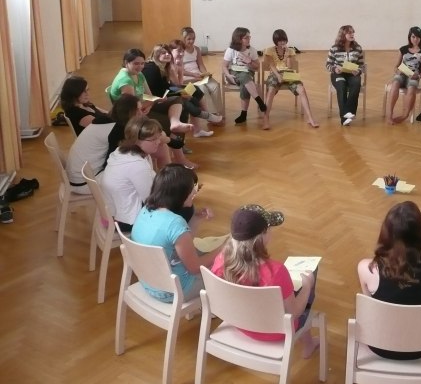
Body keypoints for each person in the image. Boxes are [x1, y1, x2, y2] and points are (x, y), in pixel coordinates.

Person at [211, 204, 320, 358]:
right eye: (269, 229)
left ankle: (308, 344)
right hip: (275, 331)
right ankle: (308, 345)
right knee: (306, 285)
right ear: (262, 236)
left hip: (238, 321)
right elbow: (295, 313)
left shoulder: (220, 260)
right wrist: (308, 285)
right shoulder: (276, 271)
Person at [356, 201, 421, 360]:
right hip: (420, 346)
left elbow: (370, 311)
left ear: (385, 233)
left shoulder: (366, 268)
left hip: (380, 346)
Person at [131, 164, 222, 302]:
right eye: (192, 189)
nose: (195, 193)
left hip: (148, 282)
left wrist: (197, 218)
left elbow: (182, 242)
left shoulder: (146, 210)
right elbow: (195, 268)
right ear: (179, 194)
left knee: (207, 255)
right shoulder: (175, 222)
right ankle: (221, 310)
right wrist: (224, 250)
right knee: (229, 267)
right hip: (173, 291)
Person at [65, 94, 141, 195]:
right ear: (129, 112)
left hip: (77, 175)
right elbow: (112, 161)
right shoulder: (117, 129)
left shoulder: (107, 121)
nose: (141, 114)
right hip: (85, 182)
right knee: (133, 171)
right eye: (138, 110)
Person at [143, 43, 222, 137]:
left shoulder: (164, 66)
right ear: (156, 55)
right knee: (186, 100)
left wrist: (180, 71)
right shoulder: (153, 68)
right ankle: (206, 117)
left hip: (164, 91)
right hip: (154, 97)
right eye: (163, 53)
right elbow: (161, 90)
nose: (167, 55)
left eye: (168, 53)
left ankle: (200, 126)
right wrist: (181, 93)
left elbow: (173, 85)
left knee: (194, 89)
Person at [108, 48, 192, 133]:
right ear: (126, 63)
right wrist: (153, 102)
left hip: (142, 106)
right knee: (166, 120)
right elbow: (133, 108)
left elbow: (150, 95)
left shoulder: (139, 74)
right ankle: (173, 139)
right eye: (136, 63)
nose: (140, 67)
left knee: (178, 99)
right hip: (132, 115)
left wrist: (151, 103)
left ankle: (176, 126)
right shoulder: (125, 81)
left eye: (142, 63)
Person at [101, 117, 162, 233]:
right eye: (153, 139)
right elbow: (152, 200)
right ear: (136, 140)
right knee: (184, 210)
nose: (158, 142)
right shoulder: (137, 165)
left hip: (112, 213)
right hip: (126, 221)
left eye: (159, 137)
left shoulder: (120, 151)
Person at [262, 29, 319, 129]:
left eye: (284, 40)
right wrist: (278, 76)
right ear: (275, 41)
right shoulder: (269, 50)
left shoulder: (291, 51)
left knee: (301, 89)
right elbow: (271, 65)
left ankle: (310, 117)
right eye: (280, 41)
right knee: (271, 90)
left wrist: (287, 52)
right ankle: (266, 118)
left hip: (288, 73)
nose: (282, 42)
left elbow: (288, 67)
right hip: (275, 74)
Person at [385, 26, 421, 124]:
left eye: (418, 37)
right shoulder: (403, 49)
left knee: (411, 89)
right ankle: (389, 114)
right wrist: (398, 71)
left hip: (414, 76)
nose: (415, 39)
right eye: (413, 37)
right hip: (402, 74)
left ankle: (405, 115)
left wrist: (417, 76)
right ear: (409, 37)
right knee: (395, 84)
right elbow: (396, 66)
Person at [175, 26, 223, 116]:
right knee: (203, 88)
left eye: (193, 38)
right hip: (187, 77)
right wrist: (194, 75)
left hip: (198, 75)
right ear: (183, 38)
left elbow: (200, 64)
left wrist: (205, 74)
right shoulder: (179, 51)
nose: (192, 41)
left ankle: (218, 111)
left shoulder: (196, 49)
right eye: (189, 39)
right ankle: (210, 114)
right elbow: (179, 70)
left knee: (215, 85)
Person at [222, 27, 266, 124]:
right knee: (244, 77)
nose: (249, 39)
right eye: (246, 37)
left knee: (245, 80)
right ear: (239, 39)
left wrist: (249, 61)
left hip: (247, 74)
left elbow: (257, 68)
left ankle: (244, 115)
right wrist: (228, 75)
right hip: (233, 74)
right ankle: (259, 101)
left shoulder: (252, 50)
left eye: (249, 37)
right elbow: (224, 66)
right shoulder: (231, 50)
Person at [325, 25, 366, 126]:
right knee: (341, 86)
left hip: (352, 74)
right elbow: (328, 65)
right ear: (343, 35)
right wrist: (335, 69)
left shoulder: (358, 48)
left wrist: (359, 71)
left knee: (356, 84)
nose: (352, 34)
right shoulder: (334, 48)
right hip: (338, 74)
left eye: (353, 32)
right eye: (349, 32)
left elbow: (361, 65)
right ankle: (345, 118)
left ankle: (347, 113)